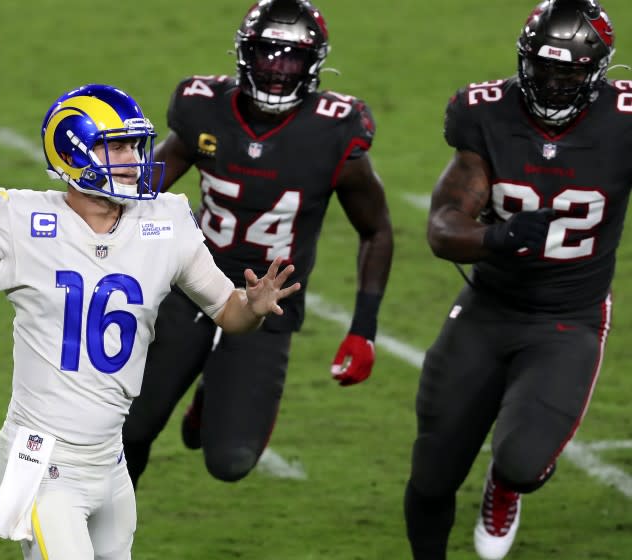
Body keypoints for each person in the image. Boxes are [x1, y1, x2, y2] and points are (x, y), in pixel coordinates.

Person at [0, 83, 301, 560]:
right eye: (116, 145)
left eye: (135, 145)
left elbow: (228, 313)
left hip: (109, 462)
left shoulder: (167, 222)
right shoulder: (22, 222)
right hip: (41, 461)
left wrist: (253, 307)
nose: (133, 158)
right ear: (75, 152)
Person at [122, 0, 393, 487]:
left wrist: (363, 328)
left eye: (290, 58)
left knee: (230, 462)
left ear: (313, 64)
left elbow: (376, 230)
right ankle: (105, 534)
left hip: (270, 299)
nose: (276, 70)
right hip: (193, 280)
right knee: (131, 426)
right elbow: (145, 188)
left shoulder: (335, 132)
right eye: (266, 54)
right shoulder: (203, 108)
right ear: (244, 55)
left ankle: (212, 389)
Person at [403, 1, 628, 559]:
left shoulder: (622, 120)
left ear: (596, 71)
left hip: (568, 316)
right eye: (543, 67)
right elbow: (443, 226)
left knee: (523, 463)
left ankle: (504, 487)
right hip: (489, 307)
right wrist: (497, 238)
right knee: (432, 474)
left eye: (569, 71)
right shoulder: (487, 113)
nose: (552, 83)